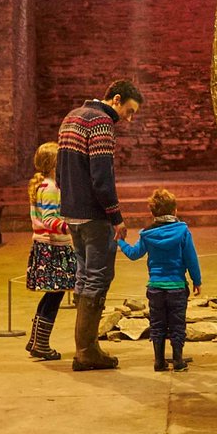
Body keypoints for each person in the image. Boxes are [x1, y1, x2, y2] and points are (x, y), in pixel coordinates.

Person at [57, 79, 144, 372]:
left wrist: (68, 201)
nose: (128, 119)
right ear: (116, 99)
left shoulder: (71, 117)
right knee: (97, 278)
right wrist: (116, 216)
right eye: (129, 111)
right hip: (94, 216)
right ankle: (87, 351)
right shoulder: (101, 123)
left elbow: (60, 171)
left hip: (71, 213)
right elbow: (102, 177)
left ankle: (86, 347)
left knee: (83, 276)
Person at [118, 188, 203, 372]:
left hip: (155, 287)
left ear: (152, 212)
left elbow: (134, 254)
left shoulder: (147, 234)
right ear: (174, 211)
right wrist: (197, 280)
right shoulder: (183, 232)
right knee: (177, 325)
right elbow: (191, 259)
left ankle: (159, 361)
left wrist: (120, 241)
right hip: (177, 287)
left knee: (157, 325)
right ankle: (178, 361)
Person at [23, 141, 76, 361]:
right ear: (54, 163)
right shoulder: (52, 188)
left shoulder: (42, 185)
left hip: (45, 245)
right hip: (54, 246)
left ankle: (36, 340)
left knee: (51, 294)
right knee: (55, 295)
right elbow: (49, 219)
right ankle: (42, 344)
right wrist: (71, 227)